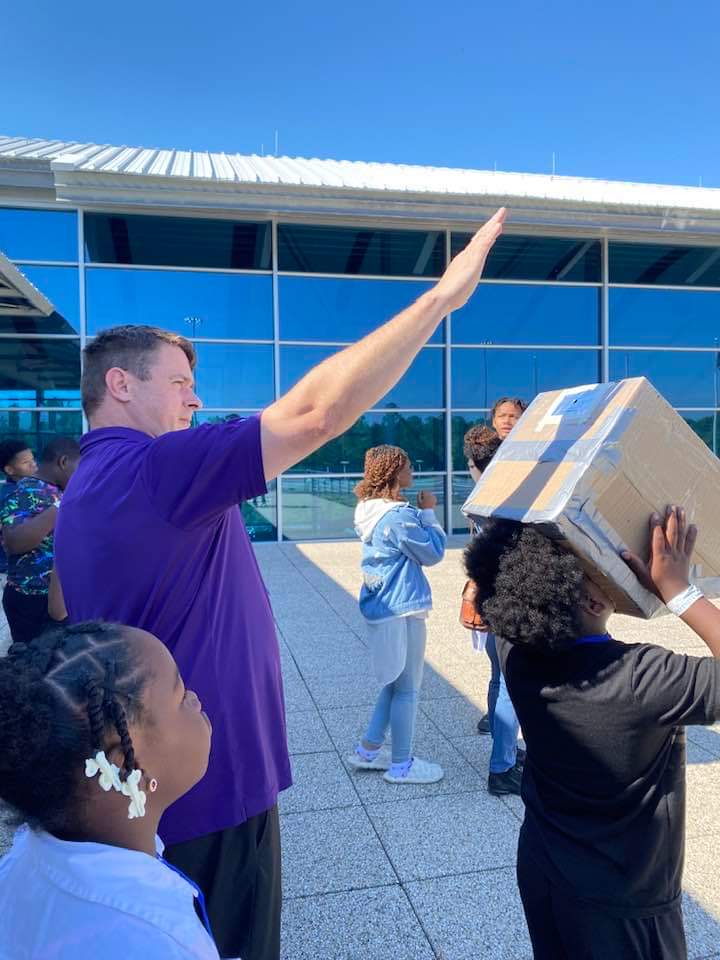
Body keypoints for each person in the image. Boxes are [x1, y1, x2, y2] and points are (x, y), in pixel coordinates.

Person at [50, 209, 507, 960]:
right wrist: (440, 301)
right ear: (120, 383)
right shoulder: (155, 470)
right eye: (181, 384)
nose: (195, 401)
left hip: (150, 788)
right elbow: (318, 412)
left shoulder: (89, 489)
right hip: (212, 793)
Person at [464, 505, 720, 960]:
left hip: (544, 866)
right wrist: (678, 592)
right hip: (625, 900)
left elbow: (503, 559)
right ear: (594, 601)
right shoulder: (640, 677)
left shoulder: (517, 654)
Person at [0, 620, 218, 959]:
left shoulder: (16, 868)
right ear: (121, 766)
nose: (194, 698)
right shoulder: (163, 943)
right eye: (178, 695)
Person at [348, 446, 446, 784]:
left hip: (381, 605)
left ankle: (368, 750)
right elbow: (433, 553)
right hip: (403, 607)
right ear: (394, 473)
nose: (412, 472)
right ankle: (402, 765)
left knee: (394, 683)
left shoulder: (369, 512)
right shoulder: (399, 517)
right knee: (408, 689)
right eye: (407, 466)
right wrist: (429, 513)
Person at [463, 424, 524, 795]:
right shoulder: (506, 498)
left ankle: (506, 752)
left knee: (498, 678)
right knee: (508, 683)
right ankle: (502, 767)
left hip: (492, 599)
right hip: (507, 602)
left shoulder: (479, 498)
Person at [1, 437, 79, 644]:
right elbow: (14, 542)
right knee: (33, 667)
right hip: (32, 599)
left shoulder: (59, 490)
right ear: (63, 462)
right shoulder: (23, 490)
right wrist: (63, 506)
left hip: (58, 601)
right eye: (80, 467)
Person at [0, 440, 38, 581]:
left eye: (33, 459)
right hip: (12, 573)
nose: (33, 465)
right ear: (9, 470)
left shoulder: (30, 488)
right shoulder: (12, 496)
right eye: (25, 463)